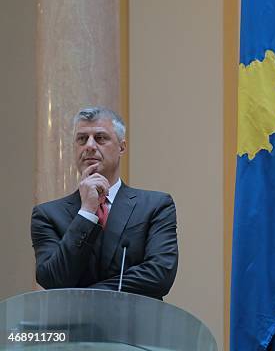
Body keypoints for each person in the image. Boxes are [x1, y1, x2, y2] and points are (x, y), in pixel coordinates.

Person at [31, 107, 178, 300]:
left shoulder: (155, 206)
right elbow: (52, 280)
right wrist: (86, 212)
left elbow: (159, 275)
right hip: (73, 327)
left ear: (122, 147)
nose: (90, 146)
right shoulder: (47, 215)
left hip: (136, 325)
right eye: (82, 139)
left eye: (100, 138)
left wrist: (88, 295)